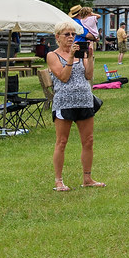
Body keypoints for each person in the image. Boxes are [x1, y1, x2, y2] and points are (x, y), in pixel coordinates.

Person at [47, 20, 105, 192]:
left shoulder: (82, 54)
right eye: (67, 34)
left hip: (85, 100)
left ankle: (87, 178)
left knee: (88, 141)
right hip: (64, 103)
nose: (71, 37)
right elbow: (63, 77)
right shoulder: (52, 55)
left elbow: (88, 75)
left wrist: (90, 57)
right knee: (62, 142)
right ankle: (58, 181)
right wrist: (71, 57)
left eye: (73, 34)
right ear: (58, 37)